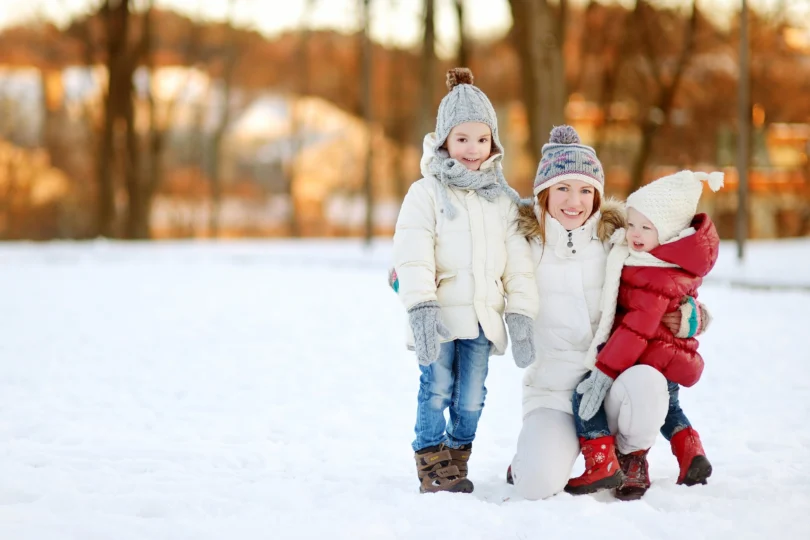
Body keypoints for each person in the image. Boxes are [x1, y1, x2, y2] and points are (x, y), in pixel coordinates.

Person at [506, 126, 711, 501]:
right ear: (544, 191)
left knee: (650, 381)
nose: (575, 201)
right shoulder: (520, 243)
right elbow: (473, 266)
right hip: (553, 394)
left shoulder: (617, 239)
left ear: (597, 195)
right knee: (536, 485)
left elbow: (667, 281)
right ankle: (532, 458)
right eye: (563, 188)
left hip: (611, 385)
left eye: (586, 190)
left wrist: (692, 315)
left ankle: (629, 455)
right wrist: (415, 279)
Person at [392, 68, 539, 494]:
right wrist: (421, 306)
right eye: (462, 139)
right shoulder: (426, 193)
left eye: (481, 139)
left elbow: (518, 264)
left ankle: (457, 456)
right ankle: (431, 460)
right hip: (438, 315)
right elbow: (412, 253)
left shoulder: (502, 200)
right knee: (436, 388)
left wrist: (521, 313)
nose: (472, 149)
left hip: (481, 318)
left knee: (472, 397)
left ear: (493, 143)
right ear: (444, 141)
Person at [566, 169, 722, 498]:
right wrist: (694, 318)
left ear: (667, 232)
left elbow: (635, 329)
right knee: (669, 409)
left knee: (584, 397)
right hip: (666, 356)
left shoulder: (652, 270)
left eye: (646, 227)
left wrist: (603, 372)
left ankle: (601, 463)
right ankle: (690, 452)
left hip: (647, 355)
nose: (634, 233)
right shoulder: (668, 261)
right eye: (631, 223)